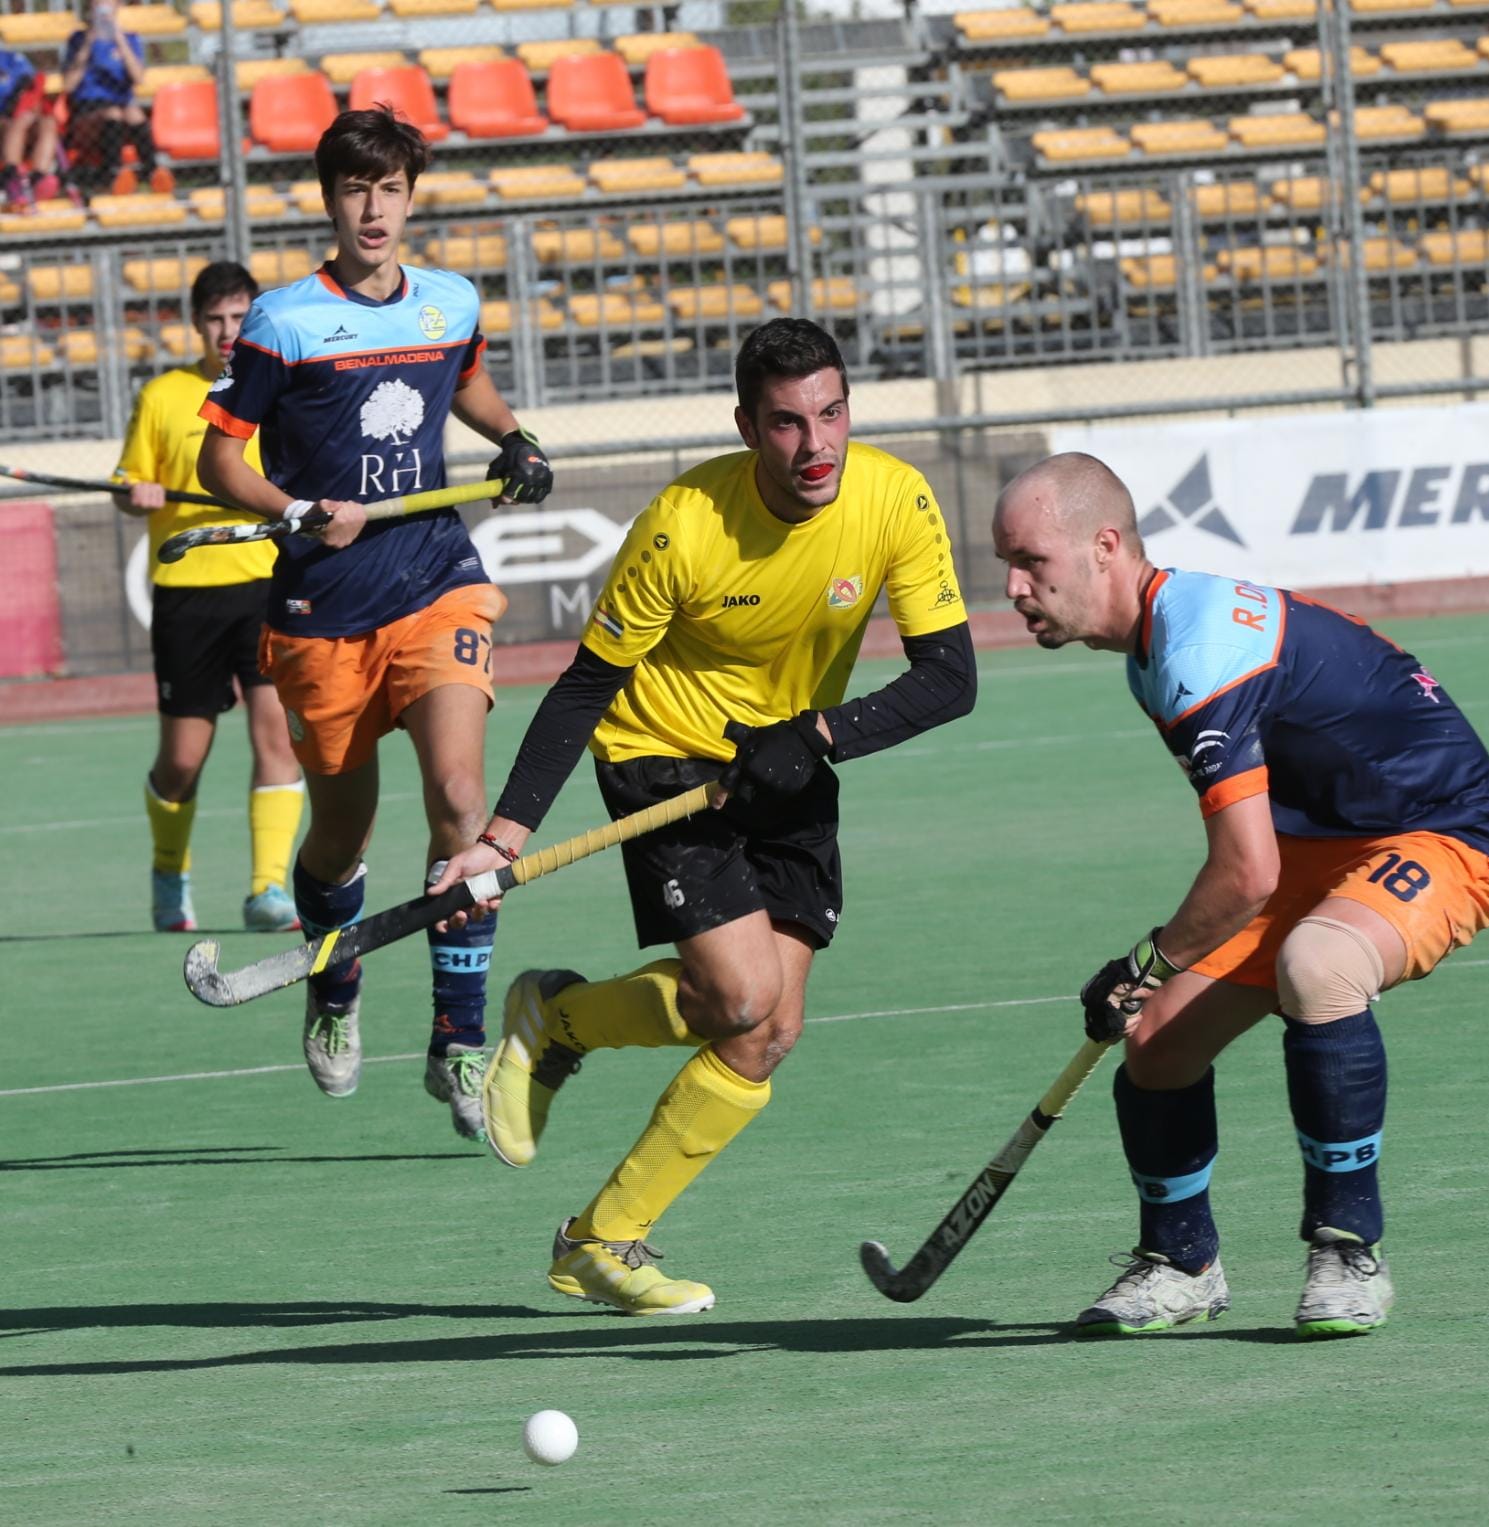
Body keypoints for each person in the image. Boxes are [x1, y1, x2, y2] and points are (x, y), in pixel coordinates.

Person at [431, 318, 978, 1315]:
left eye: (831, 414)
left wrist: (814, 738)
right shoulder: (686, 524)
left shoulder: (894, 498)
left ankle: (600, 1232)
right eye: (785, 424)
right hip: (663, 754)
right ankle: (556, 1024)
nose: (815, 447)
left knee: (766, 1030)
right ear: (745, 426)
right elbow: (586, 687)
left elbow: (949, 679)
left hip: (791, 757)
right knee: (735, 997)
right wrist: (501, 836)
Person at [991, 452, 1489, 1338]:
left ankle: (1349, 1248)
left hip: (1448, 831)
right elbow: (1256, 862)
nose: (1012, 586)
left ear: (1105, 546)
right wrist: (1154, 982)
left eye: (1031, 562)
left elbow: (1245, 873)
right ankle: (1180, 1263)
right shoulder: (1153, 645)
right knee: (1157, 1042)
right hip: (1319, 844)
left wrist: (1142, 961)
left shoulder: (1197, 652)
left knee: (1318, 965)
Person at [195, 106, 553, 1140]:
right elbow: (222, 461)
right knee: (342, 836)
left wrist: (514, 438)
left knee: (457, 797)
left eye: (390, 188)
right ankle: (336, 983)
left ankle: (457, 1038)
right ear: (329, 200)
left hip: (436, 579)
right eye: (355, 190)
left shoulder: (447, 301)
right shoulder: (284, 321)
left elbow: (469, 383)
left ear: (409, 194)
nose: (373, 209)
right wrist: (298, 510)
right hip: (320, 616)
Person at [114, 260, 304, 936]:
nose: (227, 332)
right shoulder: (164, 395)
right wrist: (136, 492)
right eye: (215, 320)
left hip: (263, 584)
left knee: (275, 734)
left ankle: (267, 890)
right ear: (197, 325)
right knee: (183, 760)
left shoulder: (276, 387)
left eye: (237, 318)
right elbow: (126, 484)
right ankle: (169, 870)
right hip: (187, 598)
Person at [61, 0, 170, 195]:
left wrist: (119, 38)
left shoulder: (130, 38)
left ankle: (152, 170)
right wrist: (88, 44)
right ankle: (111, 173)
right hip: (88, 109)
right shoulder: (78, 39)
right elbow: (68, 84)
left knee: (132, 112)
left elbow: (138, 78)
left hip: (122, 106)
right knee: (114, 113)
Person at [1, 47, 62, 211]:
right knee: (19, 121)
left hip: (14, 116)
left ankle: (38, 178)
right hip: (6, 121)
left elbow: (30, 85)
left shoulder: (11, 56)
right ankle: (11, 176)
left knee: (47, 122)